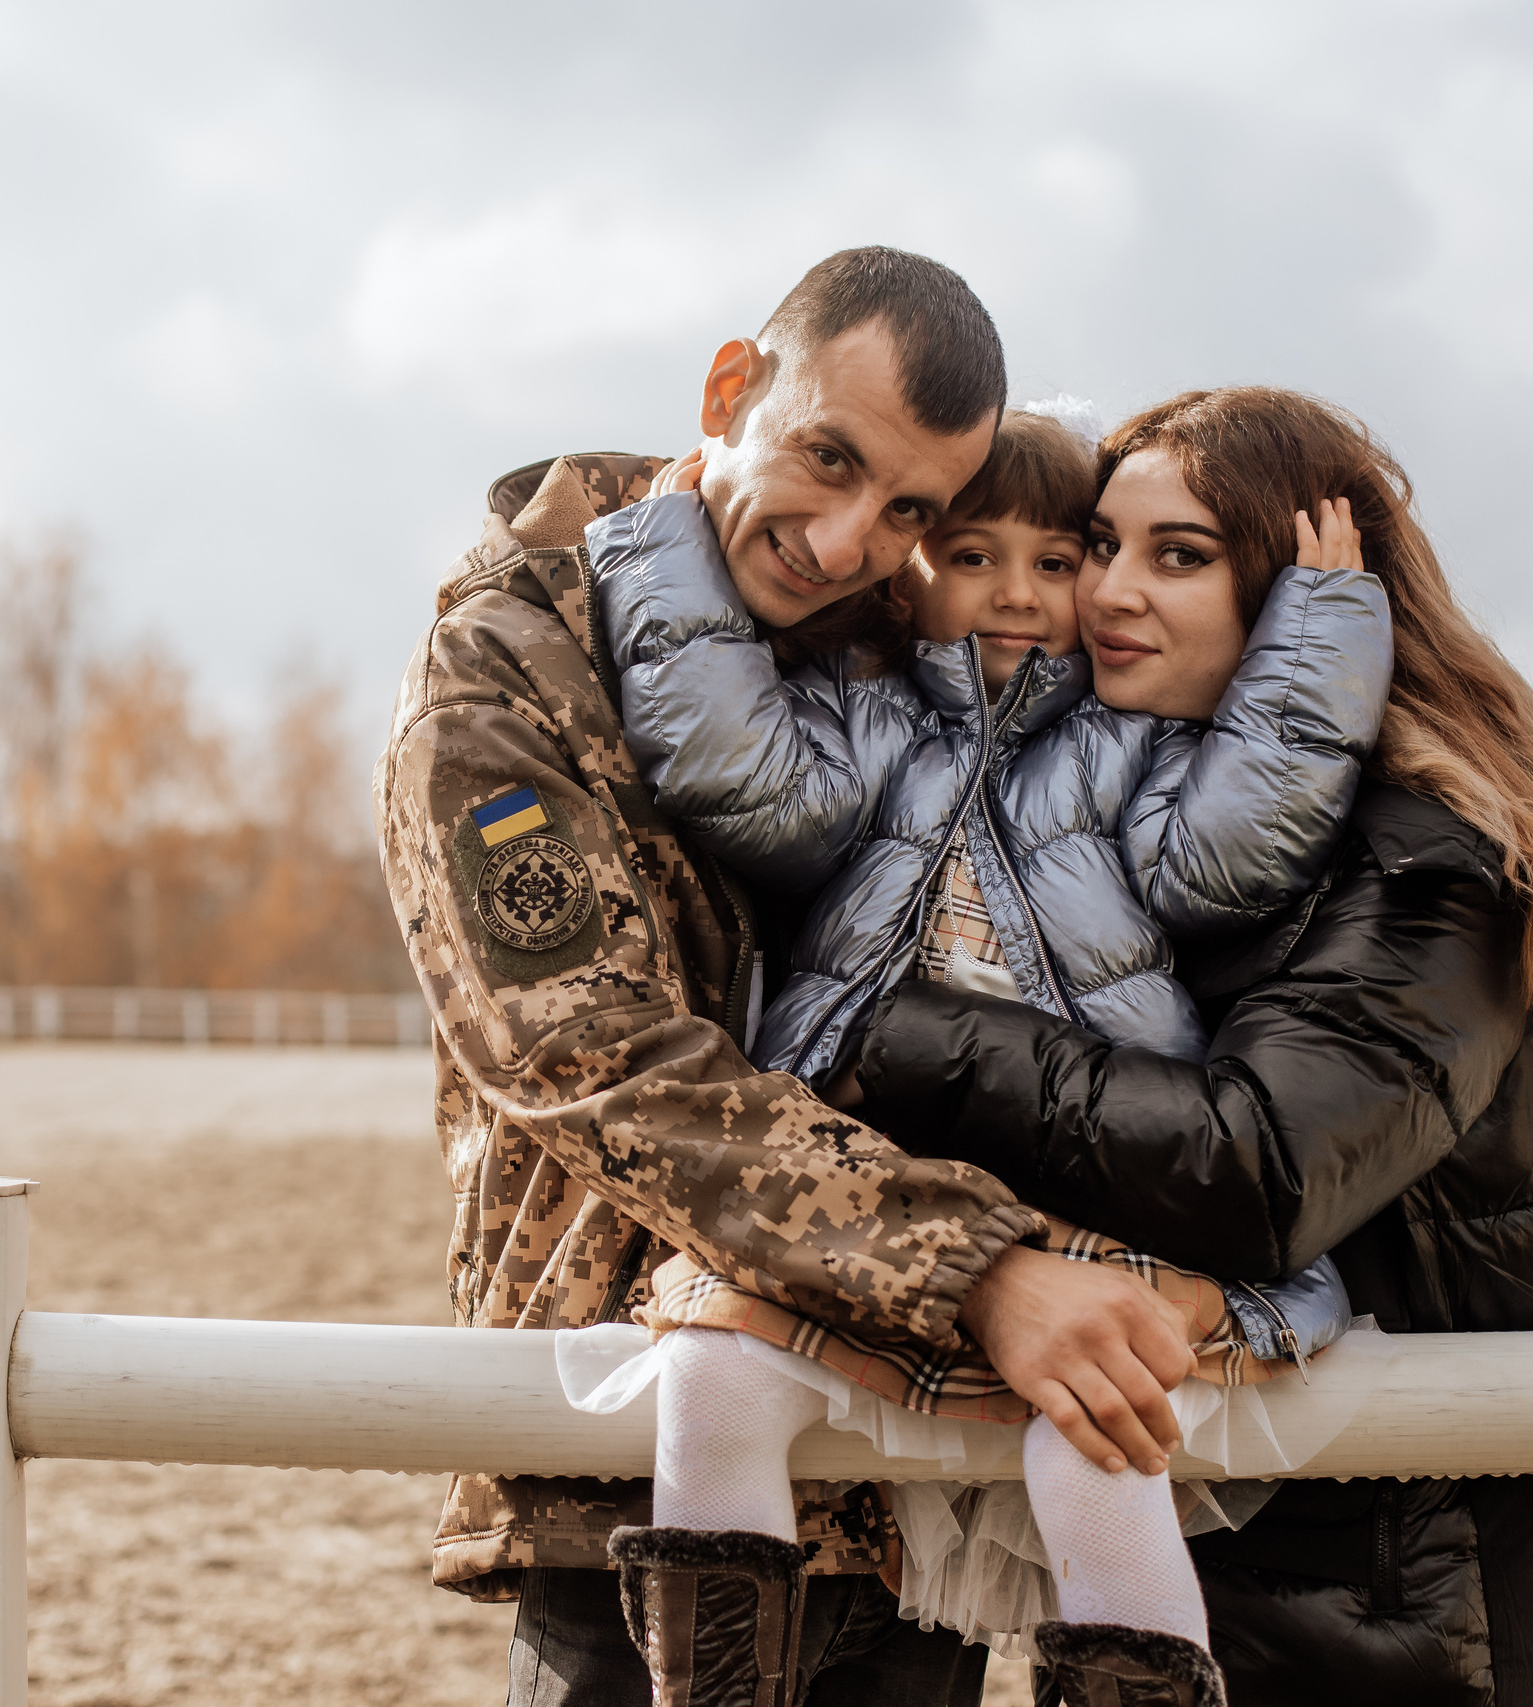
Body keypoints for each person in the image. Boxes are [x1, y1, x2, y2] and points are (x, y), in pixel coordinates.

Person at [377, 248, 1207, 1707]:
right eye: (826, 460)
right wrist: (979, 1272)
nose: (841, 541)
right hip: (639, 1464)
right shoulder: (504, 671)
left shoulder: (902, 637)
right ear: (730, 389)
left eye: (908, 511)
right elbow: (593, 1060)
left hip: (912, 1483)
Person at [567, 402, 1396, 1697]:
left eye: (1055, 562)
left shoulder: (1134, 749)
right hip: (881, 1203)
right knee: (712, 1383)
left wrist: (1322, 626)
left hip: (1090, 1203)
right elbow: (731, 764)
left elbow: (1241, 846)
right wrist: (667, 534)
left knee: (1098, 1450)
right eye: (970, 555)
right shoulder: (860, 722)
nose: (1015, 594)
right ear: (911, 570)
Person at [839, 388, 1533, 1705]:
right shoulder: (1132, 821)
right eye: (1102, 544)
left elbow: (1255, 1166)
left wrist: (889, 1033)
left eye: (1182, 554)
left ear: (1296, 591)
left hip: (1398, 1586)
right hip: (1185, 1531)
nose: (1108, 591)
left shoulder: (1427, 858)